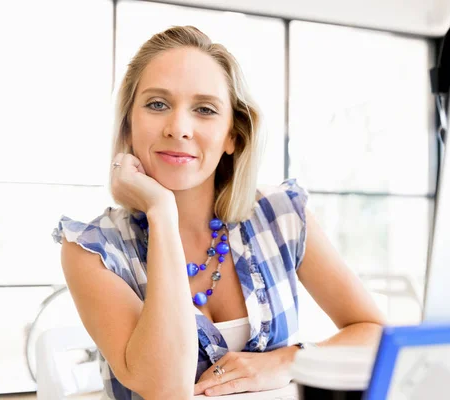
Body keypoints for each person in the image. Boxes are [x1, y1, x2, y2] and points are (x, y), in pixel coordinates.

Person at [52, 25, 385, 399]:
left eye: (205, 110)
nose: (178, 128)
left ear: (233, 136)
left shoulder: (281, 215)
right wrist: (161, 212)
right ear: (129, 125)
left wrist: (286, 362)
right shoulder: (92, 249)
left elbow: (373, 332)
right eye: (157, 104)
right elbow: (166, 389)